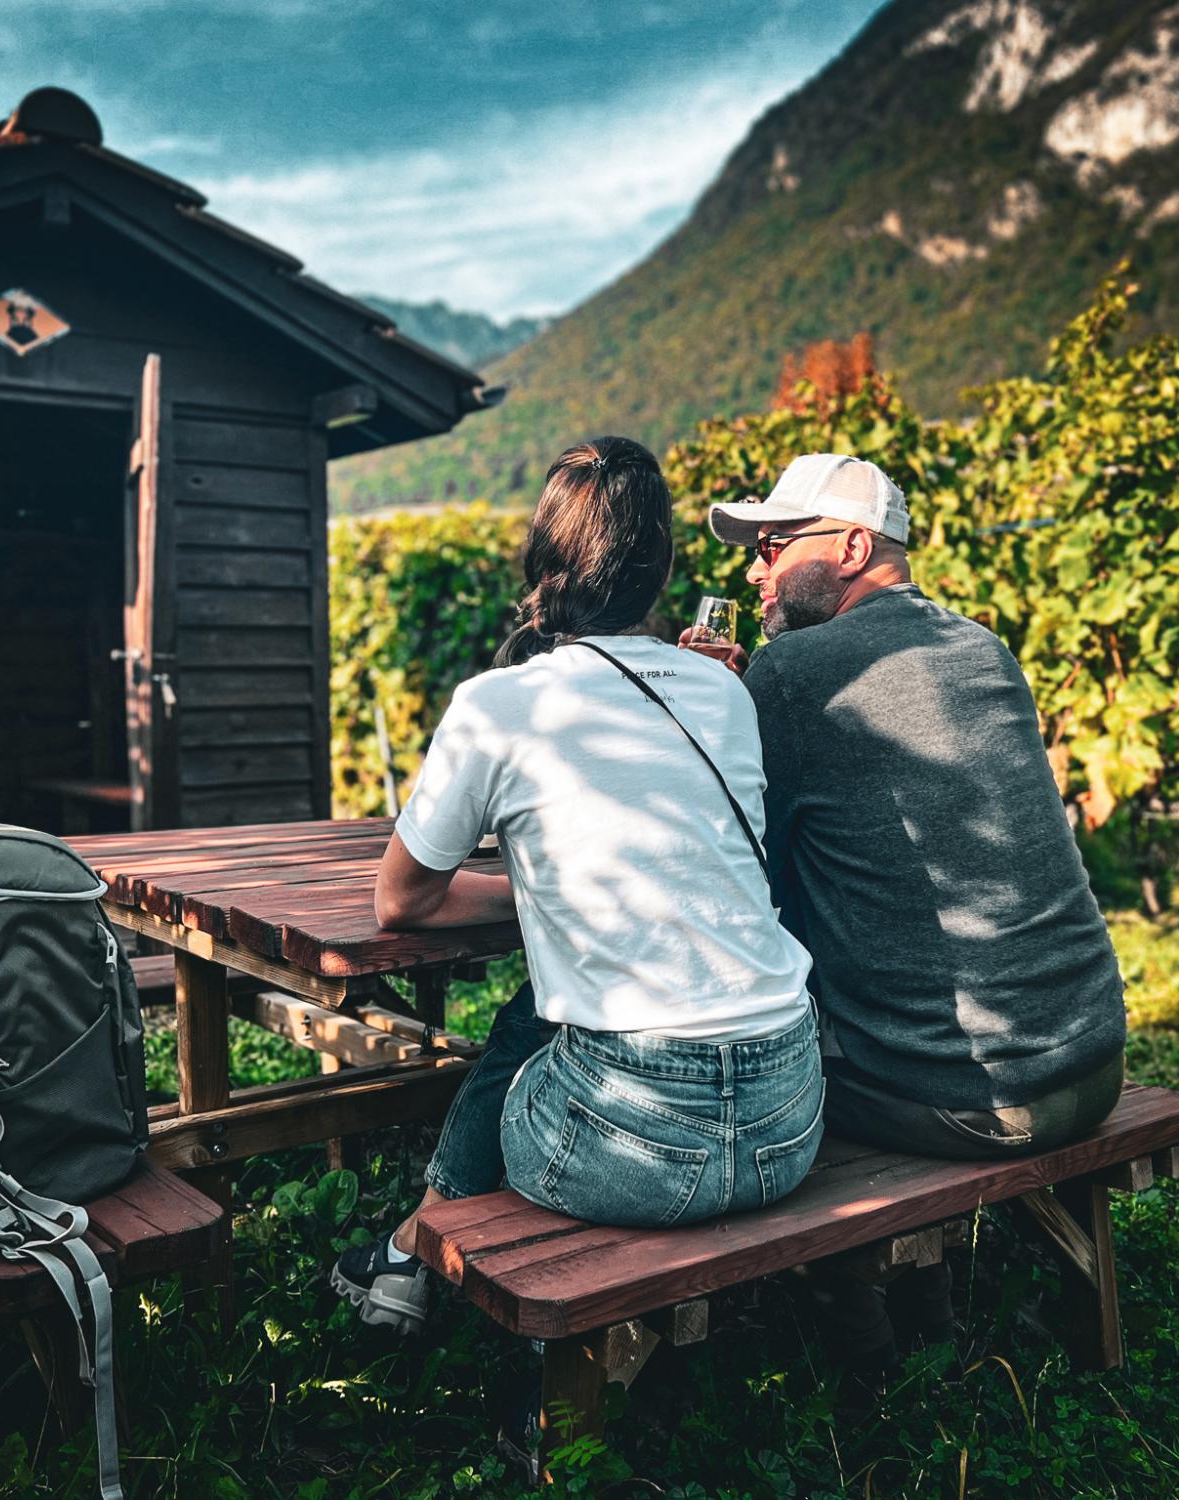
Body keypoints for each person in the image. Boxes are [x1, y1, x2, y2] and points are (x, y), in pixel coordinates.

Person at [330, 437, 825, 1337]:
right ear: (663, 567)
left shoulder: (499, 703)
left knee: (531, 1024)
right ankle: (407, 1253)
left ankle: (411, 1247)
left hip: (634, 1152)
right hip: (787, 1121)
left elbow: (400, 902)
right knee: (551, 1009)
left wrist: (534, 897)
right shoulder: (723, 693)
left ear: (543, 561)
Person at [693, 452, 1128, 1360]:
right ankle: (929, 1304)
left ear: (853, 546)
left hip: (975, 1097)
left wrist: (718, 713)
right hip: (1090, 1059)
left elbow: (728, 870)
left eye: (773, 544)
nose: (754, 569)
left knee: (742, 1074)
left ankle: (865, 1366)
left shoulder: (791, 672)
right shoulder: (981, 646)